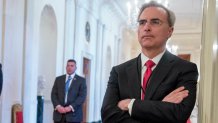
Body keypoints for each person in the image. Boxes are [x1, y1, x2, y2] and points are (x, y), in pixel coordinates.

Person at [101, 1, 198, 123]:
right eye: (142, 22)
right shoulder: (119, 71)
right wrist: (161, 106)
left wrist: (130, 104)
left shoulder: (185, 69)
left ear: (170, 31)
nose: (146, 27)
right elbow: (108, 115)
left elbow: (179, 114)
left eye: (155, 22)